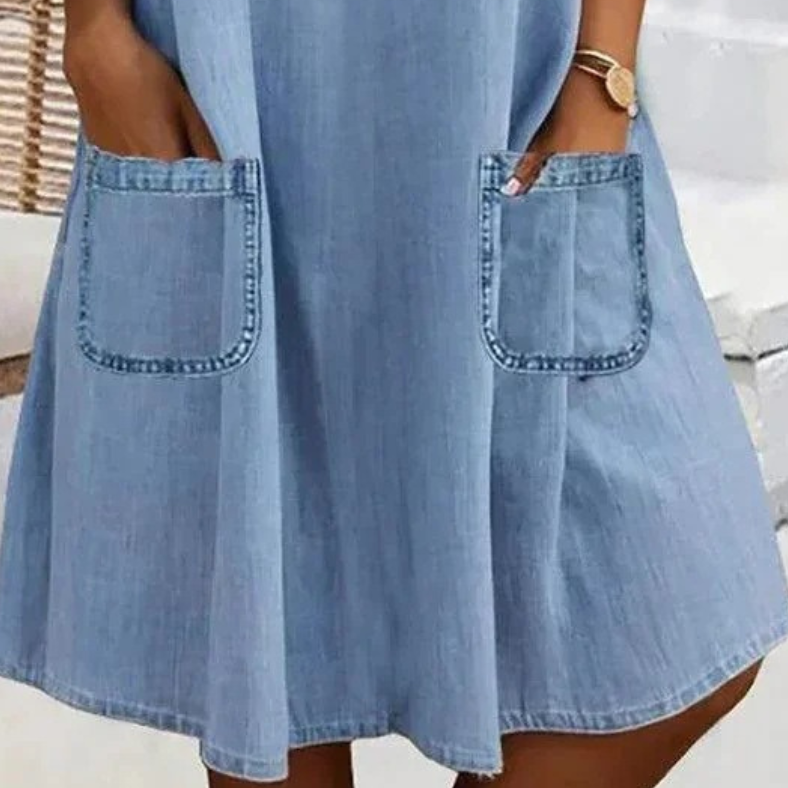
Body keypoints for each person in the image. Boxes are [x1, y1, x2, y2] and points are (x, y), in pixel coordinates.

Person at [0, 0, 786, 786]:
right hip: (231, 71)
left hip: (511, 78)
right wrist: (95, 31)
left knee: (691, 607)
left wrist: (602, 68)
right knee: (266, 629)